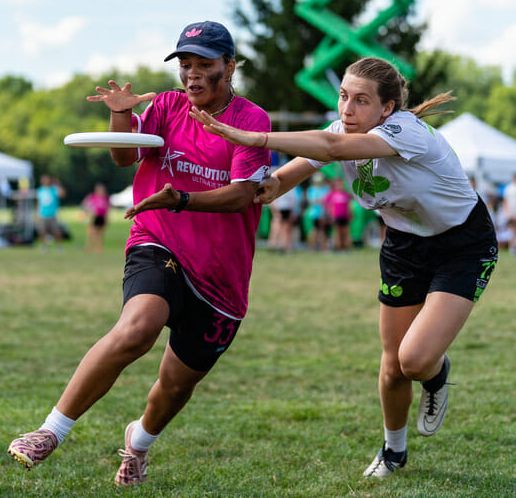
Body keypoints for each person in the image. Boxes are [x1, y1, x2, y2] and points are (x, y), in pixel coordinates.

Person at [189, 56, 498, 478]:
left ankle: (437, 372)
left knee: (415, 360)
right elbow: (292, 173)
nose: (347, 110)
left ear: (387, 108)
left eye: (361, 101)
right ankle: (393, 452)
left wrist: (251, 136)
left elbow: (332, 150)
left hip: (462, 243)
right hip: (404, 245)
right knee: (392, 364)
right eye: (343, 97)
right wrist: (271, 186)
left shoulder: (406, 132)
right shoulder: (342, 129)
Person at [7, 21, 271, 486]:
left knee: (175, 384)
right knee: (137, 328)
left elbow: (240, 195)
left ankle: (138, 443)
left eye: (204, 65)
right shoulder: (167, 106)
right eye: (186, 65)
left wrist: (183, 198)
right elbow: (124, 158)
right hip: (157, 239)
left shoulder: (251, 120)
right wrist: (119, 116)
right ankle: (51, 430)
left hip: (221, 275)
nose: (192, 75)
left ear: (230, 67)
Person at [36, 174, 65, 249]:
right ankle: (44, 246)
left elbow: (62, 194)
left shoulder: (54, 189)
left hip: (53, 214)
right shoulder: (40, 190)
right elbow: (38, 202)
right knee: (42, 231)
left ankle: (59, 246)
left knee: (56, 231)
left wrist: (58, 185)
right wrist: (37, 213)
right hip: (42, 214)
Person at [324, 178, 353, 251]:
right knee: (337, 232)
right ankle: (338, 247)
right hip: (336, 216)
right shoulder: (332, 194)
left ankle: (346, 247)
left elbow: (349, 205)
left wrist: (350, 213)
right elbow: (328, 205)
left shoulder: (346, 194)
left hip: (345, 216)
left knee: (345, 232)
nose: (340, 186)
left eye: (341, 184)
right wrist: (330, 215)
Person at [82, 182, 110, 253]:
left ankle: (99, 248)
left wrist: (107, 218)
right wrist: (88, 213)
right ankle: (89, 247)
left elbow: (107, 208)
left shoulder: (105, 198)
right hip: (94, 217)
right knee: (92, 233)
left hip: (102, 217)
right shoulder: (92, 197)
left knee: (100, 234)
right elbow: (86, 205)